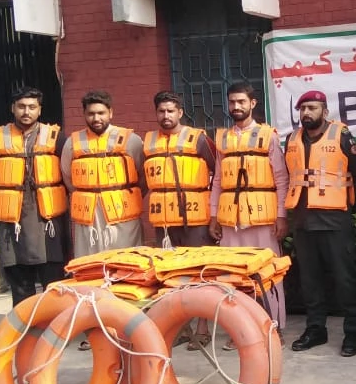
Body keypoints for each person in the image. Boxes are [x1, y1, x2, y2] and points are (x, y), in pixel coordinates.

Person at [283, 90, 356, 356]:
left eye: (312, 108)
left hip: (334, 218)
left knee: (345, 279)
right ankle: (315, 329)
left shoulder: (341, 135)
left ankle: (352, 333)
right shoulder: (291, 139)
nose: (306, 113)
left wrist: (351, 204)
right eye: (303, 108)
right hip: (303, 220)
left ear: (325, 111)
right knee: (310, 280)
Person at [208, 82, 290, 342]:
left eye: (241, 102)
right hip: (231, 220)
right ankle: (241, 330)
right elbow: (218, 180)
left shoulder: (269, 136)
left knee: (267, 274)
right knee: (235, 276)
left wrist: (281, 215)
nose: (236, 107)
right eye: (232, 102)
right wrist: (213, 216)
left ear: (253, 103)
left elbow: (281, 178)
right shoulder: (223, 138)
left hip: (263, 219)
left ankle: (272, 327)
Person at [0, 86, 69, 307]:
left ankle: (53, 324)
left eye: (32, 107)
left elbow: (67, 173)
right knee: (19, 279)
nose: (26, 111)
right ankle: (24, 327)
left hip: (48, 221)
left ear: (40, 110)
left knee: (53, 279)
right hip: (14, 221)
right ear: (13, 108)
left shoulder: (55, 138)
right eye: (21, 106)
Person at [60, 90, 145, 258]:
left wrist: (126, 196)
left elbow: (143, 176)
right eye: (91, 114)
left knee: (127, 262)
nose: (96, 118)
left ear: (110, 113)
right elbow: (67, 177)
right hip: (89, 216)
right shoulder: (73, 143)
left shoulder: (131, 140)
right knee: (90, 265)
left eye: (101, 113)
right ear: (84, 114)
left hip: (123, 214)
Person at [143, 91, 216, 249]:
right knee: (168, 270)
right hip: (164, 221)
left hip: (195, 219)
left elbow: (219, 174)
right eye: (161, 111)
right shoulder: (148, 142)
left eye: (170, 111)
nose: (166, 115)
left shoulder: (199, 139)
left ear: (180, 113)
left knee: (198, 267)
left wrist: (216, 214)